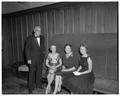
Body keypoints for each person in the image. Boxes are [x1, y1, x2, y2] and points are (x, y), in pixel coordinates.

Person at [24, 26, 45, 94]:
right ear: (34, 31)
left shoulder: (42, 37)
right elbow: (26, 49)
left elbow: (42, 47)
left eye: (40, 30)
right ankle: (30, 88)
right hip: (32, 59)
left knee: (39, 72)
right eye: (38, 30)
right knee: (31, 73)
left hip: (40, 59)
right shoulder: (29, 38)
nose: (39, 32)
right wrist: (28, 59)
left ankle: (38, 85)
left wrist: (43, 56)